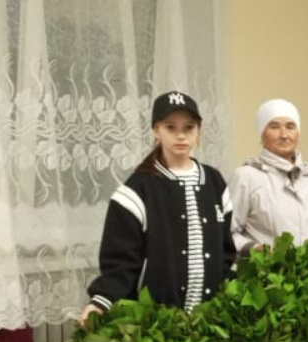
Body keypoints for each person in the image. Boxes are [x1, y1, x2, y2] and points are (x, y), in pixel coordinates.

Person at [83, 90, 236, 324]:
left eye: (188, 128)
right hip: (156, 322)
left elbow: (225, 252)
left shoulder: (214, 182)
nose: (181, 135)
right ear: (156, 130)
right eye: (170, 127)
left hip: (209, 320)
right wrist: (100, 302)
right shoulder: (136, 190)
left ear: (199, 131)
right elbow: (120, 263)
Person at [228, 99, 308, 253]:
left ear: (298, 133)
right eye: (274, 127)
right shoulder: (246, 176)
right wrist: (255, 249)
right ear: (261, 134)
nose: (284, 135)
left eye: (290, 127)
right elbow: (226, 233)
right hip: (263, 268)